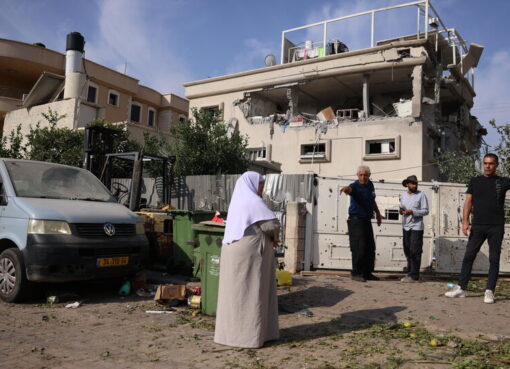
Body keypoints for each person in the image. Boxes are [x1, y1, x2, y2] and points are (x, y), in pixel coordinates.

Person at [214, 171, 280, 348]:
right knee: (251, 292)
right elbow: (271, 224)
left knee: (235, 294)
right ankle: (249, 337)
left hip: (233, 252)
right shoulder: (253, 201)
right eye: (260, 184)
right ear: (252, 184)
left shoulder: (238, 201)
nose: (262, 187)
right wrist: (275, 238)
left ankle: (229, 335)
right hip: (250, 255)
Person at [445, 153, 510, 303]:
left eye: (491, 163)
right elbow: (468, 202)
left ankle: (489, 291)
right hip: (478, 226)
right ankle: (461, 288)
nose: (488, 166)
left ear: (497, 165)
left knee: (494, 259)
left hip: (496, 226)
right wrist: (465, 222)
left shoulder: (503, 181)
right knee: (469, 256)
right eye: (486, 163)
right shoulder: (475, 181)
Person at [340, 165, 382, 282]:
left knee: (370, 247)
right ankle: (356, 273)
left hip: (366, 220)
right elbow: (350, 190)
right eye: (361, 175)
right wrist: (346, 189)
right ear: (358, 175)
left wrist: (378, 214)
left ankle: (367, 273)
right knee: (359, 247)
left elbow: (372, 200)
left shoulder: (370, 185)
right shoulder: (354, 185)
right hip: (356, 220)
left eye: (365, 175)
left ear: (369, 175)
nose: (363, 177)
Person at [399, 175, 429, 282]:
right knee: (407, 249)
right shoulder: (403, 195)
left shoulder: (421, 195)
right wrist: (401, 211)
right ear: (407, 184)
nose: (414, 185)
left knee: (415, 250)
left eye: (416, 183)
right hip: (406, 225)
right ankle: (410, 272)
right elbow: (401, 207)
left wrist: (413, 212)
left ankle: (414, 275)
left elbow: (426, 211)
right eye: (412, 183)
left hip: (417, 226)